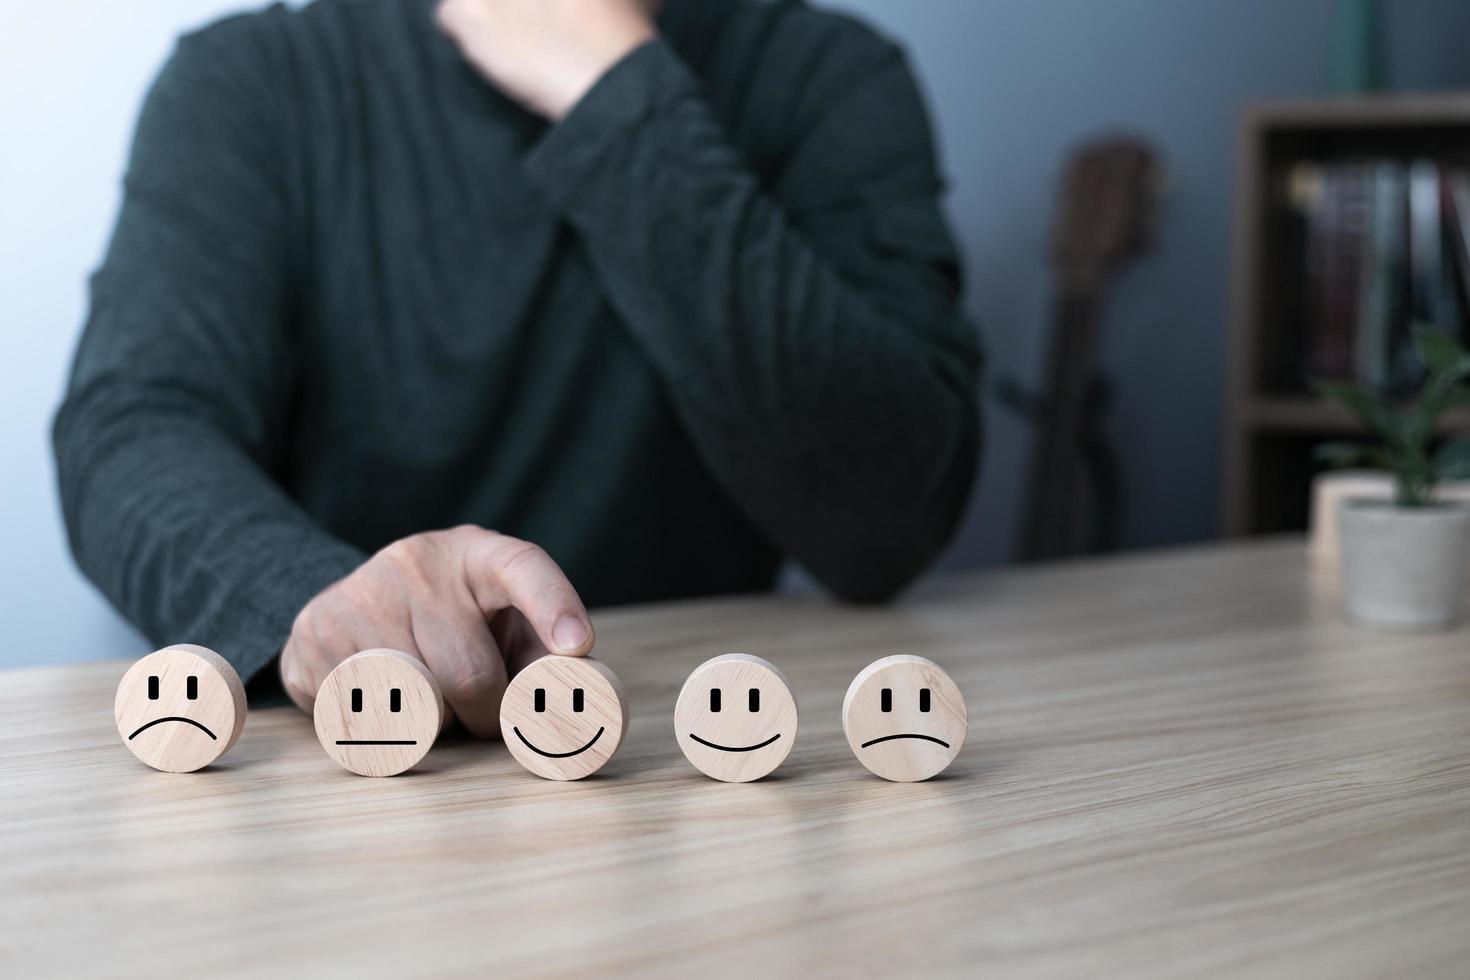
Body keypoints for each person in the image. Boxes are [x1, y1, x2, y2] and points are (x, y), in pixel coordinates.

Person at [52, 0, 982, 733]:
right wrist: (325, 602)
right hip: (351, 765)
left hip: (683, 764)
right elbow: (131, 426)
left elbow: (890, 519)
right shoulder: (251, 80)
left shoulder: (826, 78)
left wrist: (615, 93)